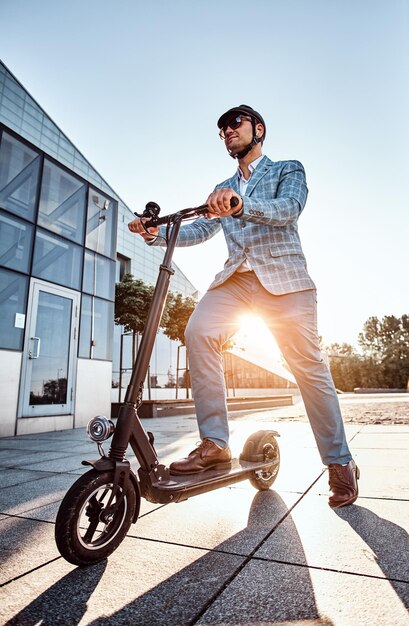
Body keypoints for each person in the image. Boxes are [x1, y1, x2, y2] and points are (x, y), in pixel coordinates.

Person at [128, 104, 359, 508]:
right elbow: (201, 229)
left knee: (308, 367)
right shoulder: (222, 186)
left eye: (235, 123)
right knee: (198, 332)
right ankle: (215, 443)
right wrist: (156, 232)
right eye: (222, 130)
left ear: (259, 129)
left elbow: (289, 209)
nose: (227, 132)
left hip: (286, 284)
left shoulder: (288, 168)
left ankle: (340, 463)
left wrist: (241, 204)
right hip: (235, 282)